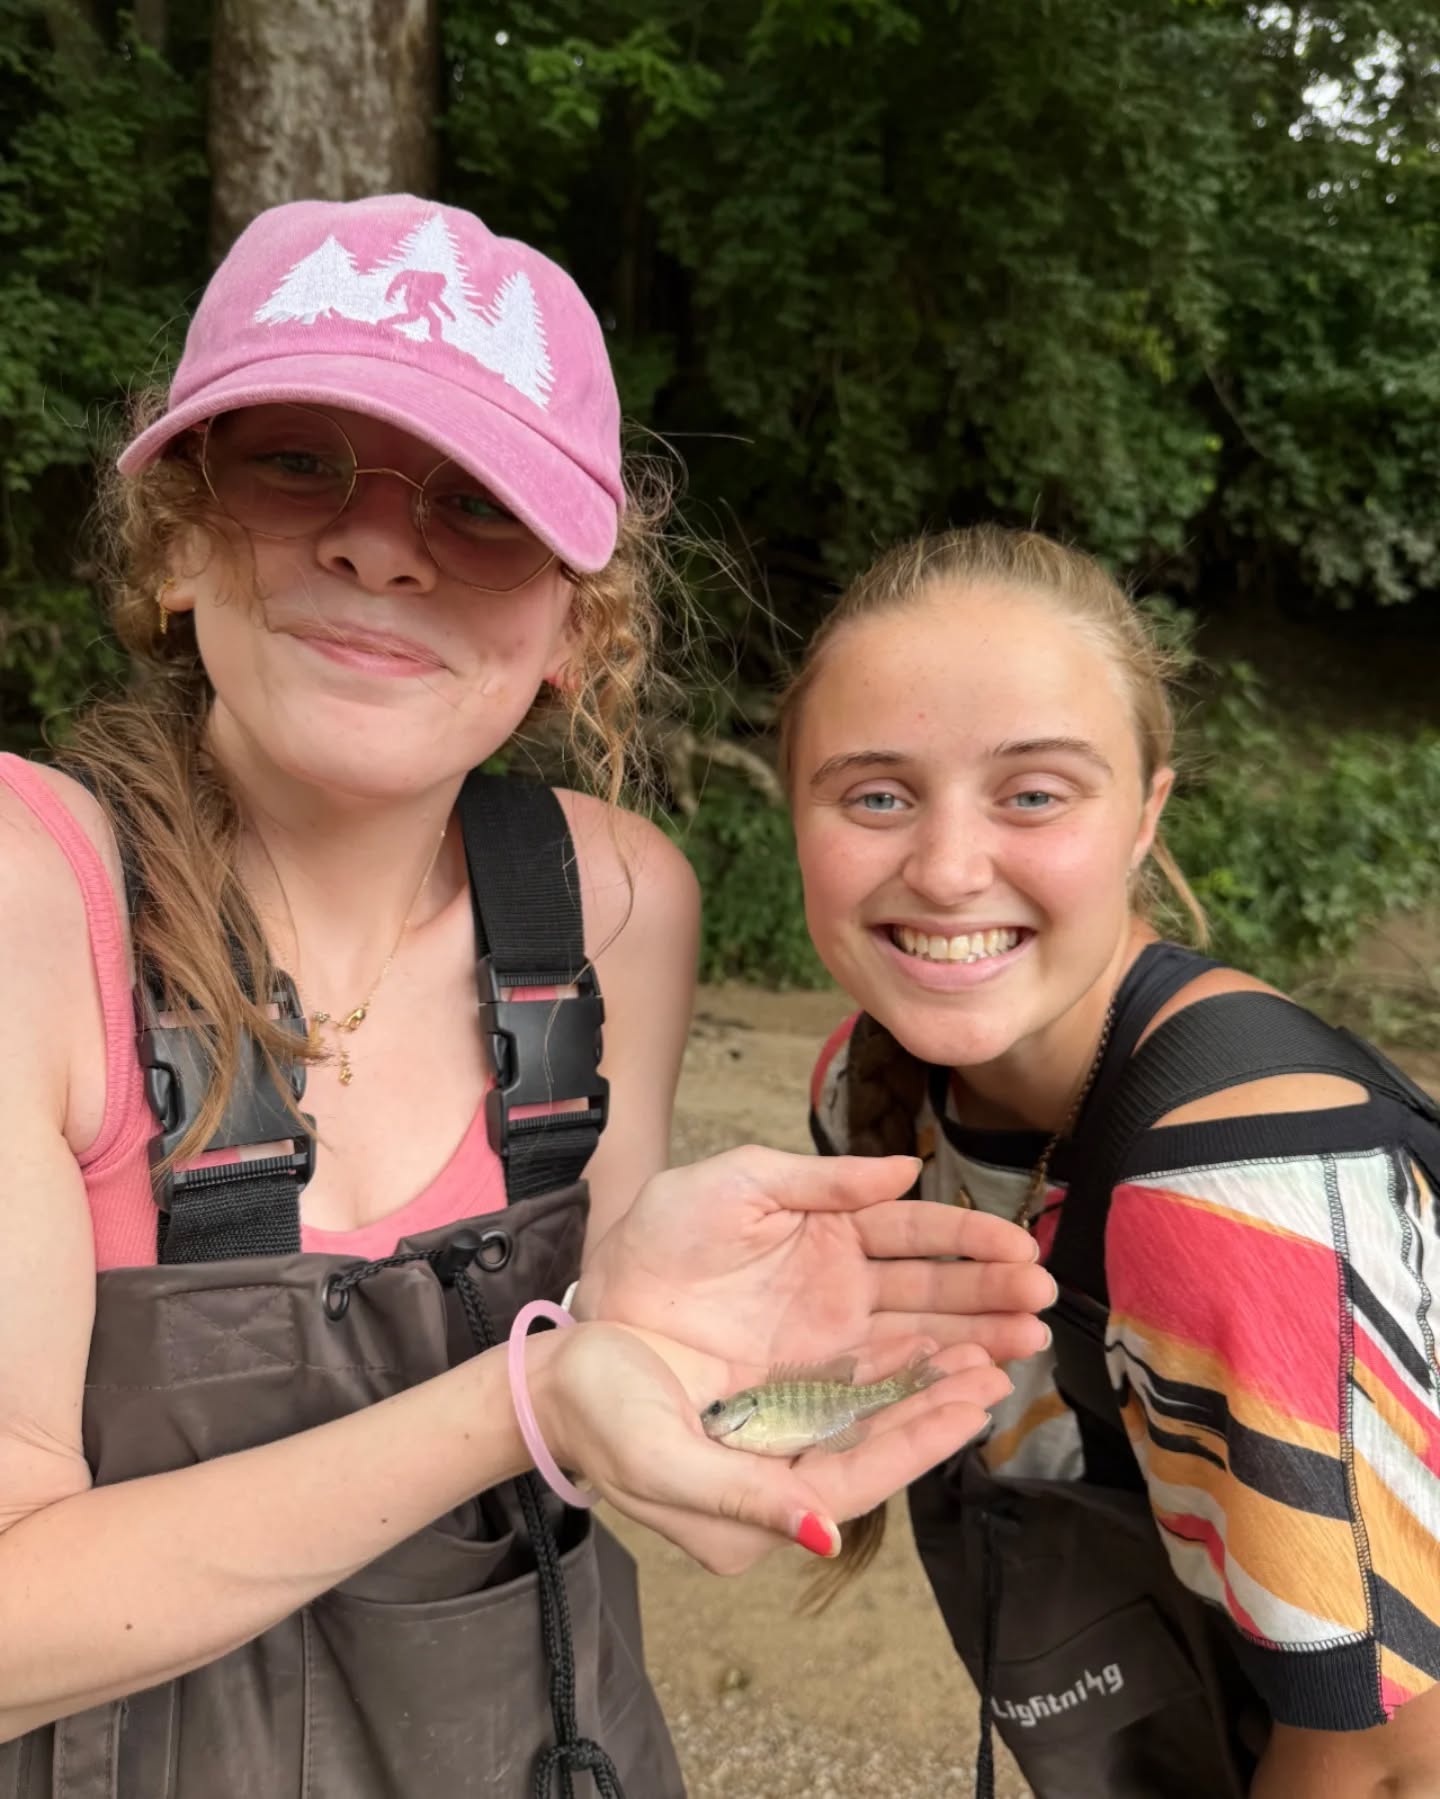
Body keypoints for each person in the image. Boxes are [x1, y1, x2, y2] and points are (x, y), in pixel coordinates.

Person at [0, 201, 1055, 1796]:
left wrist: (712, 1400)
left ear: (578, 625)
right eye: (295, 462)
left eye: (479, 501)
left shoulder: (613, 904)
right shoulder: (29, 898)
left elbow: (613, 1385)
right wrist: (536, 1390)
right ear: (177, 539)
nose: (379, 540)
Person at [784, 525, 1440, 1799]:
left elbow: (1389, 1756)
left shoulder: (1225, 1198)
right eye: (875, 793)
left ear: (1146, 814)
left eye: (1034, 791)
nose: (948, 866)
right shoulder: (861, 1094)